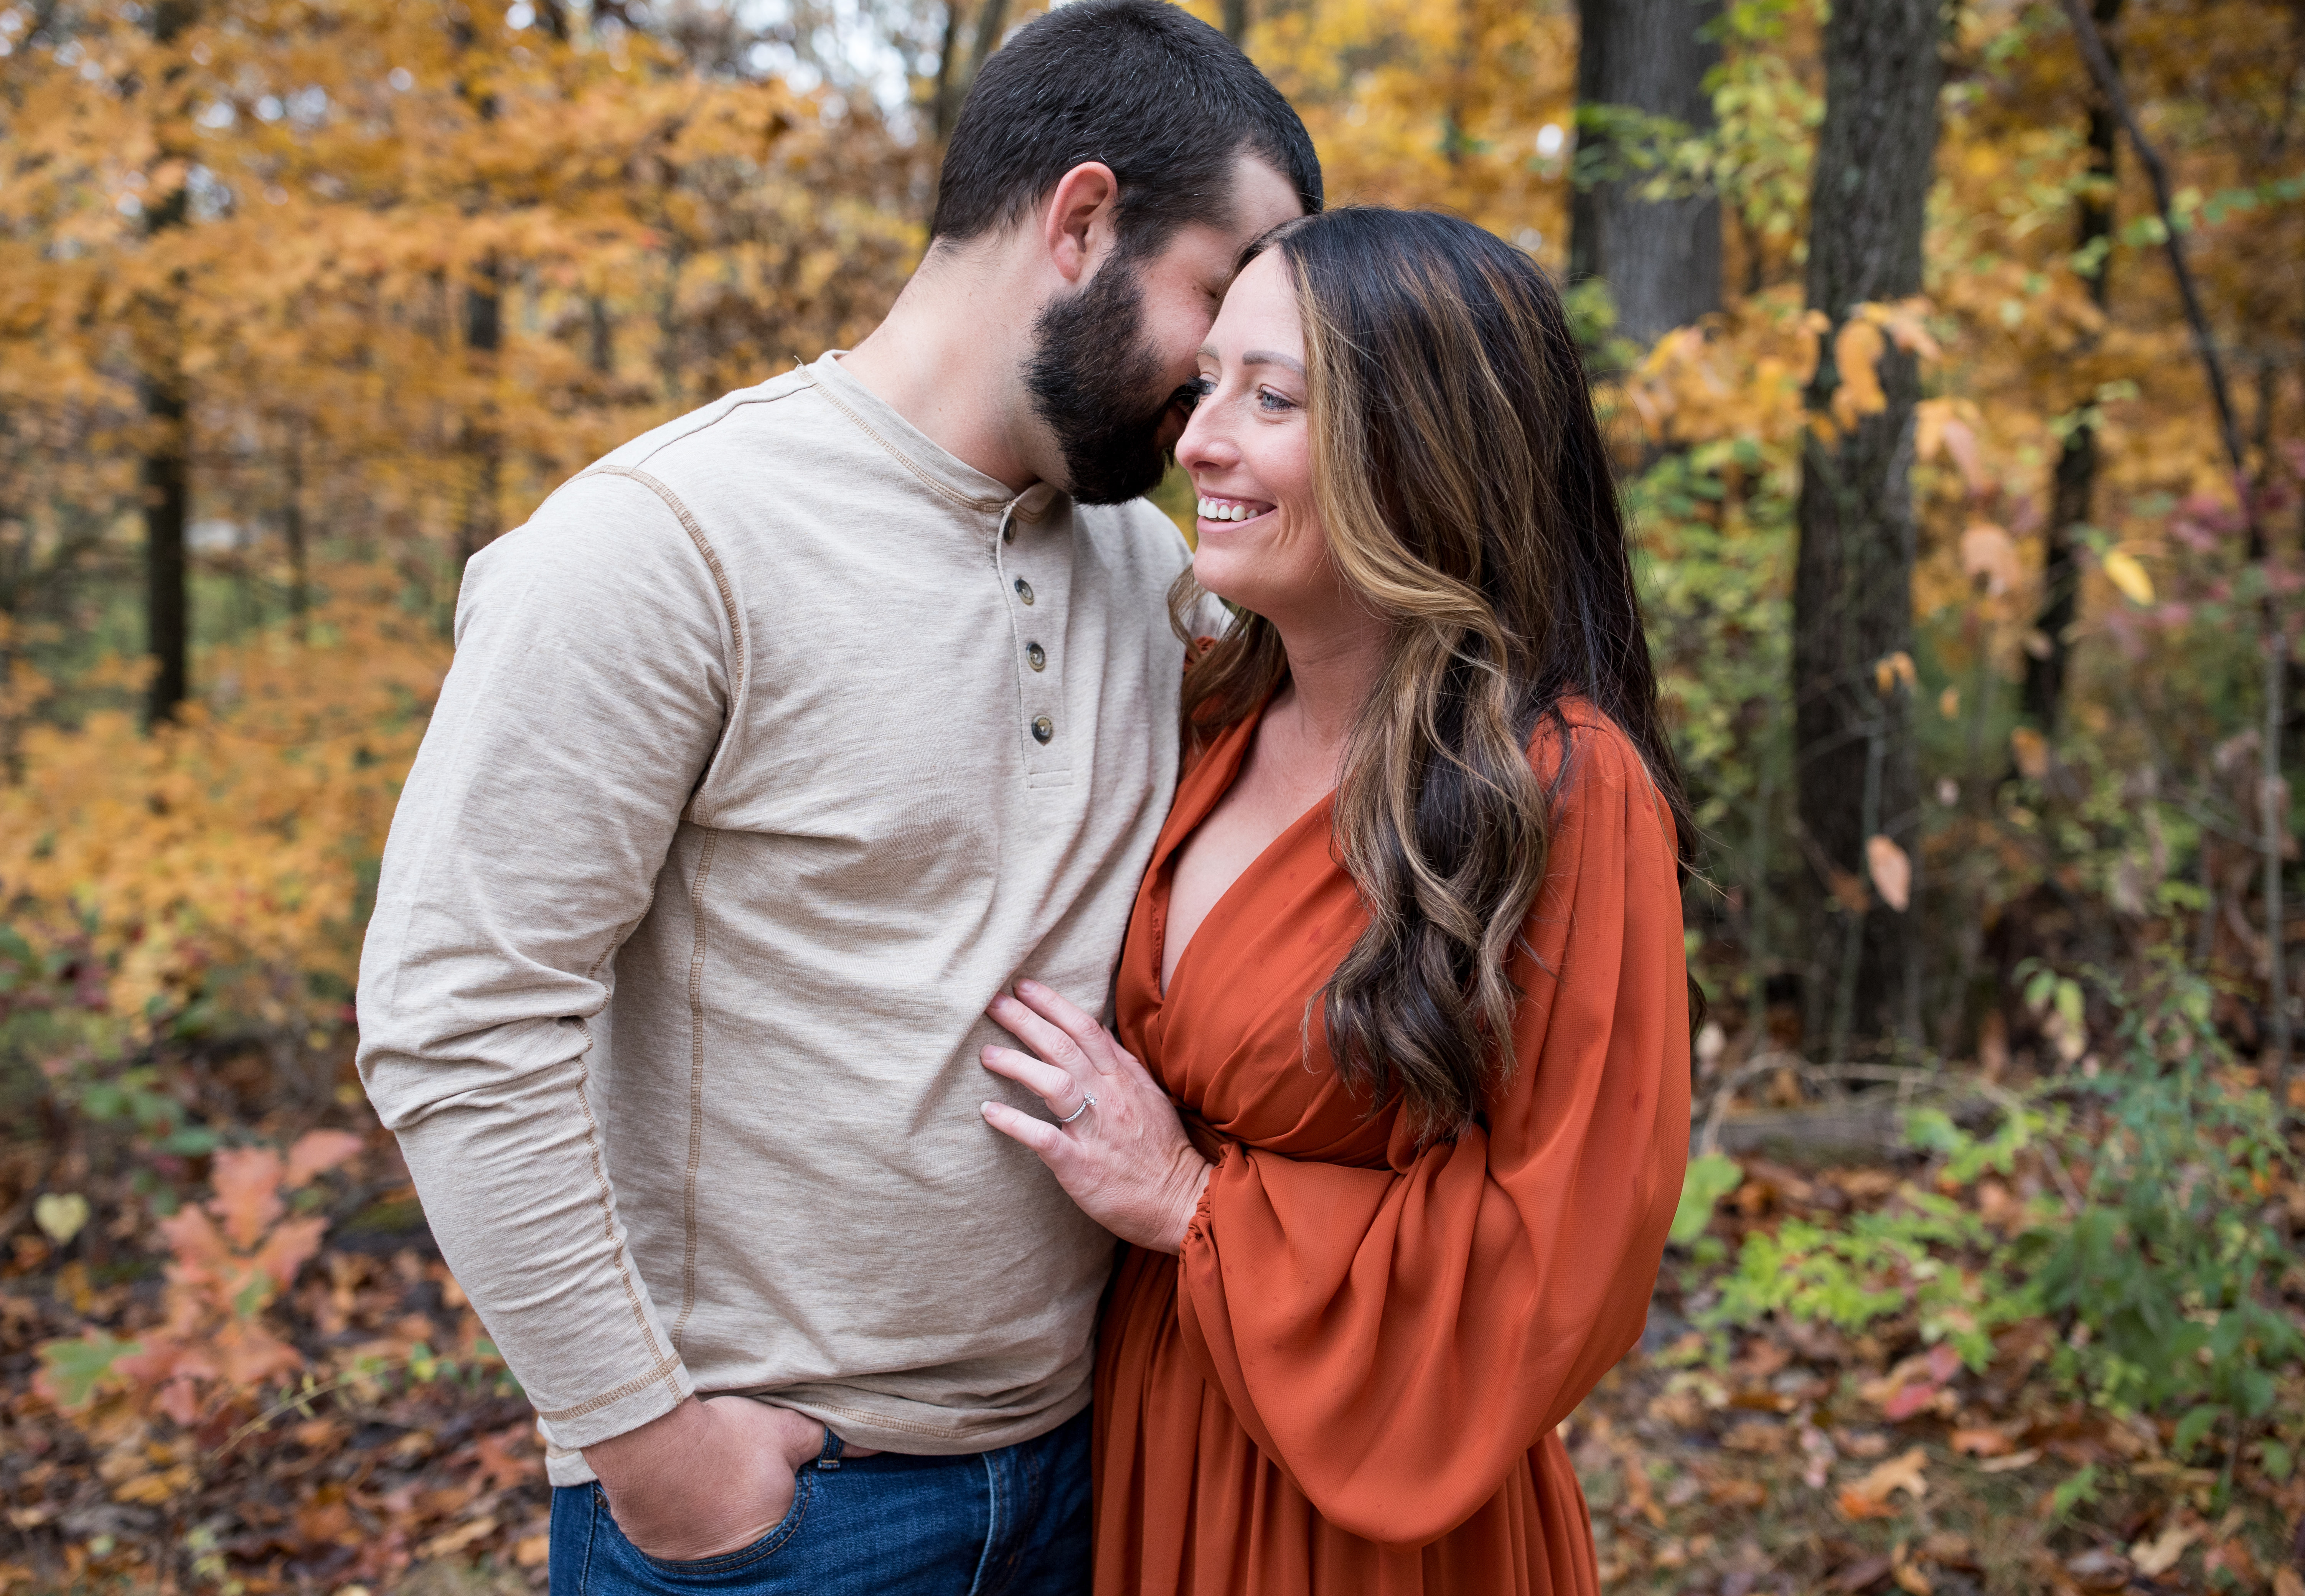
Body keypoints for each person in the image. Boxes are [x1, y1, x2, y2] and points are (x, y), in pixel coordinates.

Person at [351, 5, 1318, 1591]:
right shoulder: (664, 544)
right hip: (788, 1517)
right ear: (1081, 222)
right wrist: (651, 1450)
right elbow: (456, 1016)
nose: (1216, 395)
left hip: (1104, 1467)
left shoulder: (1160, 571)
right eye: (1213, 304)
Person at [978, 206, 1695, 1594]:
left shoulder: (1562, 791)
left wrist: (1193, 1203)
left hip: (1377, 1517)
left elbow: (1562, 1261)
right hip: (1151, 1441)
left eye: (1273, 398)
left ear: (1422, 449)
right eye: (1208, 387)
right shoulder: (1212, 716)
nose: (1197, 443)